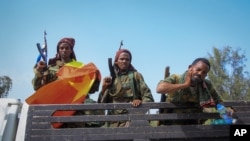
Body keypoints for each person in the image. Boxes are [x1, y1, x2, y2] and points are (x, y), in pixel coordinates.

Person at [32, 37, 103, 128]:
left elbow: (91, 89)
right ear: (58, 51)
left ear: (71, 51)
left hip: (75, 110)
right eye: (61, 48)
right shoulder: (50, 68)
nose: (64, 50)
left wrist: (95, 76)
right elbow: (36, 87)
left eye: (67, 48)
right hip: (56, 109)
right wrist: (39, 71)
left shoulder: (80, 68)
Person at [156, 57, 234, 125]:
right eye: (198, 69)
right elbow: (160, 89)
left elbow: (218, 102)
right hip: (172, 123)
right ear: (190, 68)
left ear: (206, 75)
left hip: (194, 123)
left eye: (204, 73)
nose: (200, 73)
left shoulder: (206, 85)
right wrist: (185, 85)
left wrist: (227, 114)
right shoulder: (176, 78)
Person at [98, 48, 154, 127]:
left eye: (127, 59)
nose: (124, 61)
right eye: (122, 59)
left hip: (131, 121)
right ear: (116, 61)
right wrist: (104, 87)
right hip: (113, 122)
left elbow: (148, 96)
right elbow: (102, 104)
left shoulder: (135, 75)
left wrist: (140, 105)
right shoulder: (112, 78)